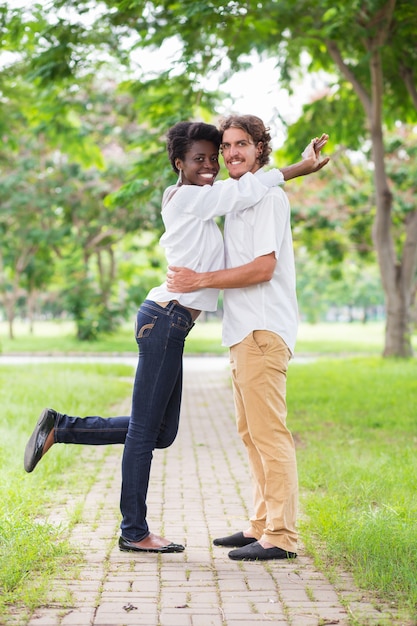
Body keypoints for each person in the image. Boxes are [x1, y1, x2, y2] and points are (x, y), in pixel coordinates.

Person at [24, 118, 328, 555]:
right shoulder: (189, 198)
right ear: (178, 163)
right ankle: (134, 531)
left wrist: (289, 170)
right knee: (153, 432)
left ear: (260, 148)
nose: (214, 162)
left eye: (221, 152)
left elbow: (254, 229)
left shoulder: (231, 198)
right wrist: (299, 168)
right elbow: (239, 193)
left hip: (197, 326)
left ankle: (63, 427)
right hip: (164, 319)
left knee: (165, 432)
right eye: (210, 154)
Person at [166, 115, 326, 561]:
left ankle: (282, 535)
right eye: (226, 147)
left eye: (241, 145)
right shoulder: (240, 199)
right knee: (251, 435)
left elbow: (262, 268)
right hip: (241, 332)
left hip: (262, 329)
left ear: (260, 149)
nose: (231, 154)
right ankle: (260, 524)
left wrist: (201, 278)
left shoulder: (268, 200)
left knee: (269, 434)